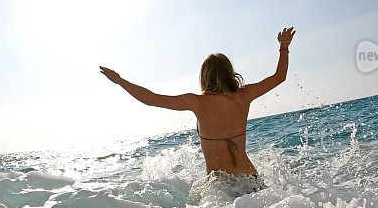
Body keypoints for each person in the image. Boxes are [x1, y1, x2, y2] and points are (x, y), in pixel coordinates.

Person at [99, 27, 295, 193]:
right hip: (250, 178)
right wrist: (283, 48)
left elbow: (151, 99)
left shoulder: (196, 102)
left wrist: (120, 81)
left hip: (221, 186)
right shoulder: (243, 95)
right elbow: (279, 77)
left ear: (204, 76)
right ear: (229, 72)